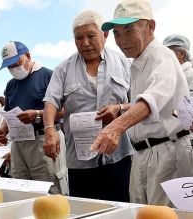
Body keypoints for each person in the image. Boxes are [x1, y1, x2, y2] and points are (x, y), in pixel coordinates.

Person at [97, 0, 193, 206]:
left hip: (168, 151)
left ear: (151, 26)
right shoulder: (138, 63)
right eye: (117, 33)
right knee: (141, 211)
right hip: (143, 153)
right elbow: (152, 102)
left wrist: (116, 127)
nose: (122, 40)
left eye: (129, 30)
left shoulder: (163, 56)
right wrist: (121, 109)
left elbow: (154, 98)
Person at [43, 10, 133, 202]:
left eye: (91, 36)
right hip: (80, 159)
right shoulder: (63, 69)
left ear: (105, 35)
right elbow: (51, 101)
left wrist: (120, 108)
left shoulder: (125, 64)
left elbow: (137, 102)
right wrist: (49, 130)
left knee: (119, 208)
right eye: (79, 38)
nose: (85, 43)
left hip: (118, 155)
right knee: (83, 208)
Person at [0, 41, 68, 194]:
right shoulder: (10, 85)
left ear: (28, 56)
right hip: (19, 143)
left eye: (16, 63)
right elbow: (10, 114)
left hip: (44, 140)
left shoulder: (48, 75)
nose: (14, 68)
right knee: (20, 189)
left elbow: (65, 110)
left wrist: (37, 115)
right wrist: (3, 130)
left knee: (49, 189)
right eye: (9, 66)